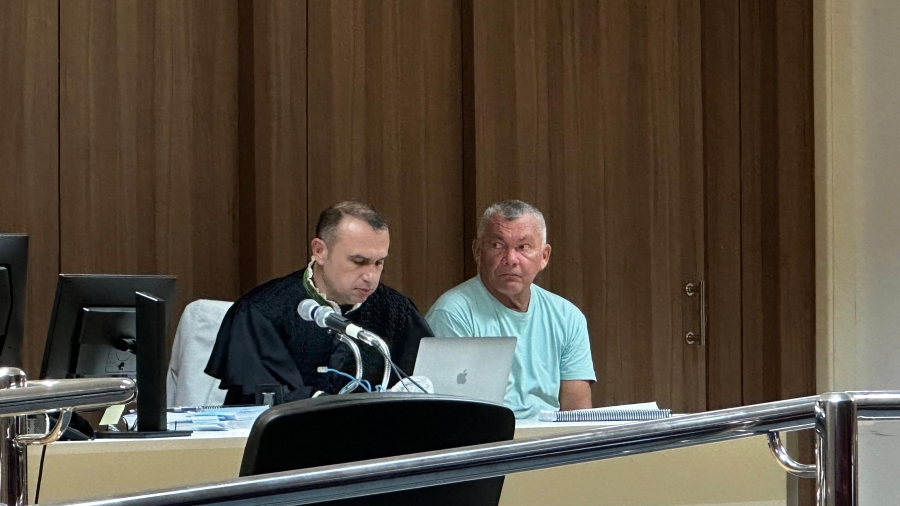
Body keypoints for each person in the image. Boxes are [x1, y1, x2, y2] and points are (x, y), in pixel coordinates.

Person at [206, 201, 433, 405]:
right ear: (320, 251)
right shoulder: (262, 310)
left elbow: (428, 380)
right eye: (358, 261)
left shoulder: (396, 310)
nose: (370, 276)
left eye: (378, 263)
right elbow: (267, 398)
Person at [426, 199, 595, 418]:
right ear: (478, 252)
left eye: (523, 247)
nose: (510, 259)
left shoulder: (568, 317)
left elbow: (578, 416)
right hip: (490, 436)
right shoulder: (452, 314)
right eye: (497, 245)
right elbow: (453, 418)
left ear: (544, 256)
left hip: (552, 437)